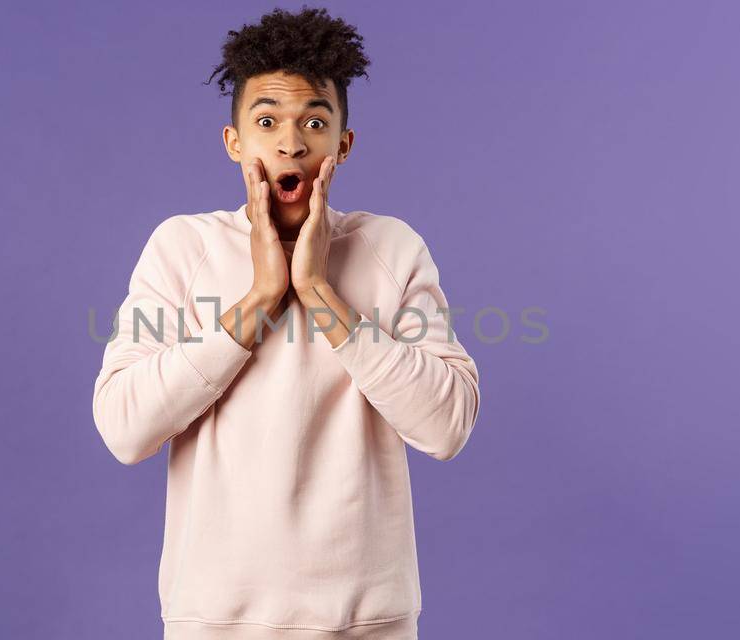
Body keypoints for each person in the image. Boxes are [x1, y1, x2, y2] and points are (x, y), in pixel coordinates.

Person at [91, 7, 481, 638]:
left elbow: (446, 426)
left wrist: (318, 290)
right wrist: (262, 296)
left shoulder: (392, 247)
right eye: (267, 120)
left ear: (343, 145)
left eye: (315, 122)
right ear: (234, 141)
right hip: (215, 620)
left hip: (367, 623)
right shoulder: (181, 247)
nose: (291, 143)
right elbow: (124, 429)